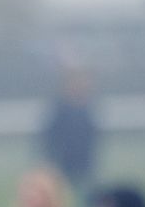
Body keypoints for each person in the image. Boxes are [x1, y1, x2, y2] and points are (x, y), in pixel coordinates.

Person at [39, 69, 100, 198]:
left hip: (84, 163)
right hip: (63, 163)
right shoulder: (59, 108)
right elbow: (50, 137)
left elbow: (93, 135)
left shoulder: (88, 107)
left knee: (88, 196)